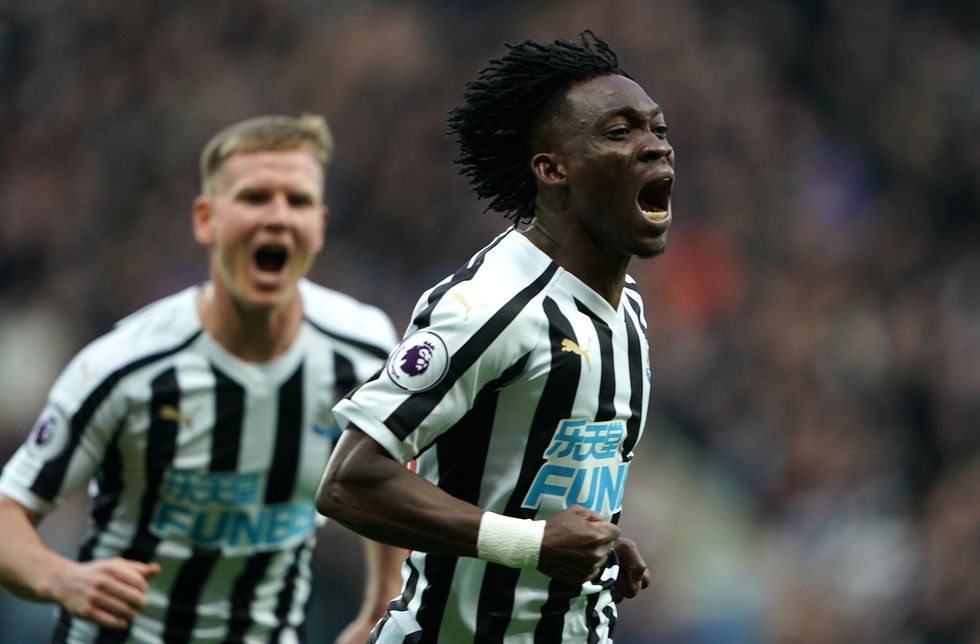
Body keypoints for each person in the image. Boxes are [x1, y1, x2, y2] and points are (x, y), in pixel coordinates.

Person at [317, 31, 668, 642]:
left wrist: (592, 546)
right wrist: (531, 542)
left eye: (657, 130)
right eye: (620, 132)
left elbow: (523, 483)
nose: (655, 148)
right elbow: (351, 481)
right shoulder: (489, 305)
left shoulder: (627, 308)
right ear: (552, 169)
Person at [0, 114, 405, 643]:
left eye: (298, 201)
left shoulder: (364, 350)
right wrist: (63, 579)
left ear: (320, 226)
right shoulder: (124, 367)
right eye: (256, 198)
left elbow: (387, 471)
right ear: (206, 219)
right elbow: (9, 511)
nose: (279, 217)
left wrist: (381, 600)